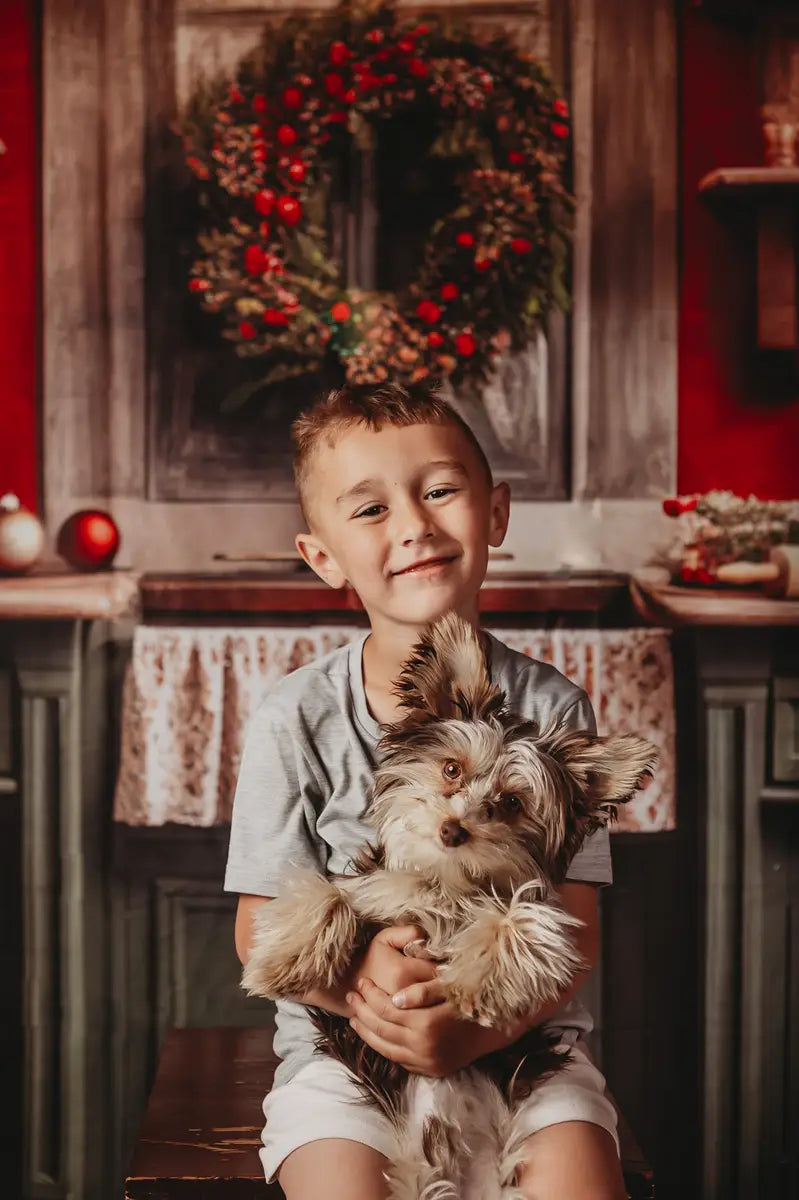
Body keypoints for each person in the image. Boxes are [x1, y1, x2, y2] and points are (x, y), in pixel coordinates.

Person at [224, 381, 627, 1200]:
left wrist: (478, 1028)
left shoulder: (553, 709)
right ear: (322, 557)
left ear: (497, 513)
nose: (413, 525)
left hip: (527, 1055)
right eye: (369, 511)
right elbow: (256, 927)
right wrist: (364, 989)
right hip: (345, 1061)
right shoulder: (292, 715)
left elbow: (576, 930)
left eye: (439, 491)